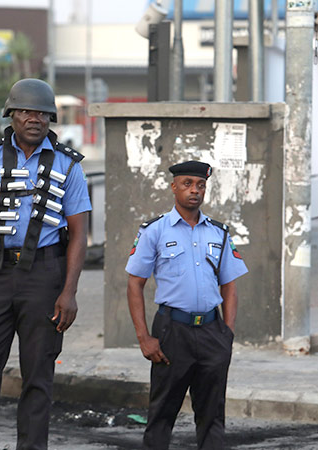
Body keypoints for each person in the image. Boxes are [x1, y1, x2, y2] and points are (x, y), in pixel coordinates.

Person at [0, 78, 92, 450]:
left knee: (38, 375)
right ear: (11, 115)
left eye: (43, 113)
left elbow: (80, 233)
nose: (35, 119)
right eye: (27, 111)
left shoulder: (68, 165)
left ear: (51, 119)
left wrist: (69, 292)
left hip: (46, 277)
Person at [125, 161, 248, 450]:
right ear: (174, 187)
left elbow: (229, 286)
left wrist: (226, 333)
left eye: (200, 185)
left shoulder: (219, 233)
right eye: (187, 184)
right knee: (162, 413)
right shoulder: (154, 231)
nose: (194, 190)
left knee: (212, 414)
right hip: (172, 331)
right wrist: (144, 337)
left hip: (211, 332)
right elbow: (134, 284)